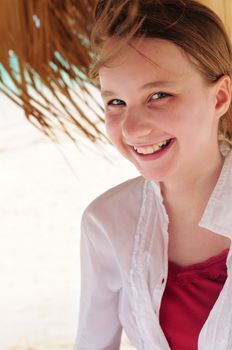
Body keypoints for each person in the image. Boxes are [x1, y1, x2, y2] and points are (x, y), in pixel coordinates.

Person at [74, 1, 232, 349]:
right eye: (115, 102)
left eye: (159, 95)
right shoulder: (105, 223)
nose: (132, 128)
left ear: (219, 97)